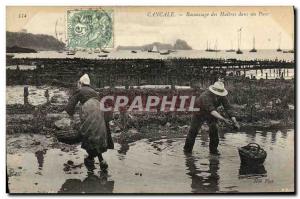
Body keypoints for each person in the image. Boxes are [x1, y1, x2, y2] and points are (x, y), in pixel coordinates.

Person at [64, 74, 114, 171]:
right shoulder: (94, 92)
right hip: (99, 111)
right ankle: (100, 161)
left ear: (81, 83)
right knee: (95, 134)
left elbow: (70, 106)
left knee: (88, 135)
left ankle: (91, 160)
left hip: (88, 109)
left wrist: (70, 116)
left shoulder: (80, 90)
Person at [184, 81, 240, 155]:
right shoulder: (205, 96)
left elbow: (228, 108)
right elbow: (211, 110)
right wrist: (224, 120)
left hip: (211, 113)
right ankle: (187, 151)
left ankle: (213, 151)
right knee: (193, 131)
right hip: (199, 113)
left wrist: (234, 120)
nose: (219, 95)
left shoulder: (222, 96)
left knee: (214, 131)